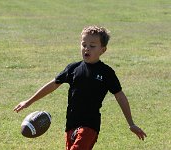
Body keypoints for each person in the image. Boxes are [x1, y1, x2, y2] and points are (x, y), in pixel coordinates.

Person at [14, 25, 147, 150]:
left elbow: (120, 96)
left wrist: (131, 123)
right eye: (84, 45)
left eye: (92, 46)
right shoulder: (73, 69)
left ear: (103, 50)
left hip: (90, 126)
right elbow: (53, 84)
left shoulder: (107, 73)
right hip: (71, 124)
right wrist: (29, 101)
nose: (86, 48)